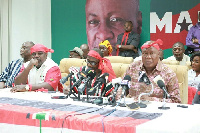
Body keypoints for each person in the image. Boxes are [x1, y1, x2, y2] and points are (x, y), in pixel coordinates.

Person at [116, 39, 181, 103]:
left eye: (152, 53)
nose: (148, 57)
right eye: (145, 53)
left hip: (157, 111)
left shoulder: (168, 73)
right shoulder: (133, 68)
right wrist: (117, 97)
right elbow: (122, 89)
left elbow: (176, 101)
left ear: (158, 54)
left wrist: (152, 100)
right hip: (133, 109)